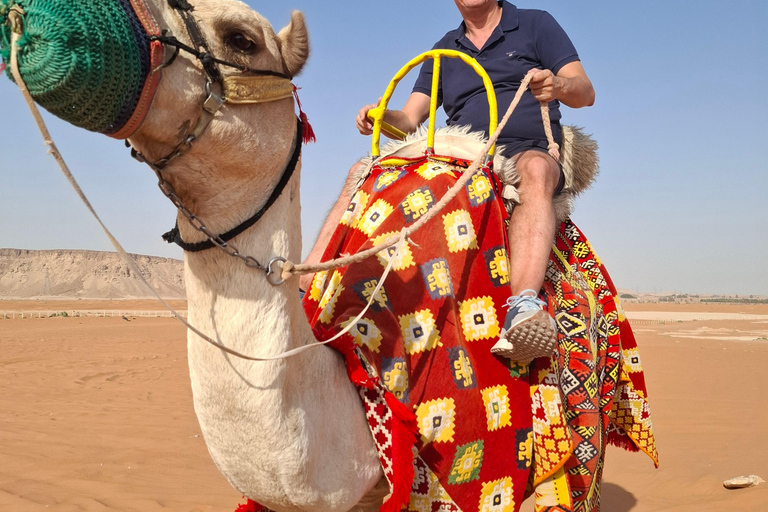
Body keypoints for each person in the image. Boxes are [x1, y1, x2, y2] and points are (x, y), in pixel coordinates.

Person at [303, 0, 594, 359]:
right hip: (463, 155)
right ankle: (309, 284)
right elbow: (409, 120)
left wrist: (558, 84)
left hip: (523, 151)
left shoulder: (535, 25)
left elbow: (585, 91)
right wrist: (380, 116)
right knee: (360, 171)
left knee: (537, 170)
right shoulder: (444, 50)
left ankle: (523, 306)